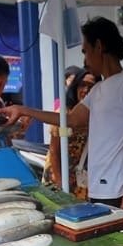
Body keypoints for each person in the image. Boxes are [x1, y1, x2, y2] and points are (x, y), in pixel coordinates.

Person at [0, 17, 123, 216]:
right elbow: (70, 119)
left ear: (99, 46)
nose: (84, 61)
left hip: (120, 190)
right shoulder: (98, 90)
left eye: (85, 51)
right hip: (98, 188)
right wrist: (24, 110)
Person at [44, 69, 100, 198]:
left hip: (81, 175)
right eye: (82, 85)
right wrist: (59, 182)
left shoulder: (97, 114)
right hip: (59, 173)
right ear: (75, 87)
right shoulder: (63, 115)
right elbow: (54, 151)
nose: (86, 90)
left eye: (91, 86)